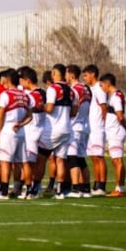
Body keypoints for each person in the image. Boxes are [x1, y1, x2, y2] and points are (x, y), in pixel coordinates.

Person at [0, 69, 33, 199]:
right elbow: (30, 116)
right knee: (24, 162)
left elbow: (0, 116)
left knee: (5, 162)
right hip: (21, 132)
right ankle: (29, 191)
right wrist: (21, 124)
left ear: (8, 80)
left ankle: (4, 192)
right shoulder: (25, 95)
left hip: (8, 131)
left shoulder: (5, 95)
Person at [42, 64, 76, 199]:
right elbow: (74, 111)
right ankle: (60, 191)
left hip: (53, 130)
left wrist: (41, 106)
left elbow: (49, 108)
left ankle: (34, 189)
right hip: (66, 129)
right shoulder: (71, 90)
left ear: (54, 73)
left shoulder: (52, 88)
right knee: (60, 160)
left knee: (40, 158)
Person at [100, 73, 126, 197]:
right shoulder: (113, 96)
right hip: (113, 132)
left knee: (118, 161)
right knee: (116, 161)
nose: (101, 87)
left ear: (108, 84)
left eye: (102, 84)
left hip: (116, 132)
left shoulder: (116, 98)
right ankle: (120, 188)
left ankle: (120, 190)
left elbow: (120, 116)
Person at [20, 67, 46, 198]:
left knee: (28, 163)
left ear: (27, 80)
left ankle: (30, 189)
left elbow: (26, 113)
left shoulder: (30, 96)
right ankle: (37, 186)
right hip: (43, 129)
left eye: (22, 81)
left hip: (31, 131)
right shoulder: (44, 92)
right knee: (40, 161)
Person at [82, 64, 108, 196]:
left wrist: (103, 124)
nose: (85, 78)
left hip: (98, 128)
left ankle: (102, 186)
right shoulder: (90, 89)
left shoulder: (99, 88)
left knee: (99, 157)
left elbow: (104, 107)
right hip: (90, 129)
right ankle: (96, 184)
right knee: (93, 157)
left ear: (93, 74)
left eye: (86, 75)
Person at [66, 64, 92, 197]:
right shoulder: (86, 89)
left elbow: (74, 109)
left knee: (72, 158)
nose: (65, 76)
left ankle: (75, 189)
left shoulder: (74, 90)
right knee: (81, 159)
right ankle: (86, 189)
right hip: (85, 126)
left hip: (75, 127)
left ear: (71, 74)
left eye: (66, 73)